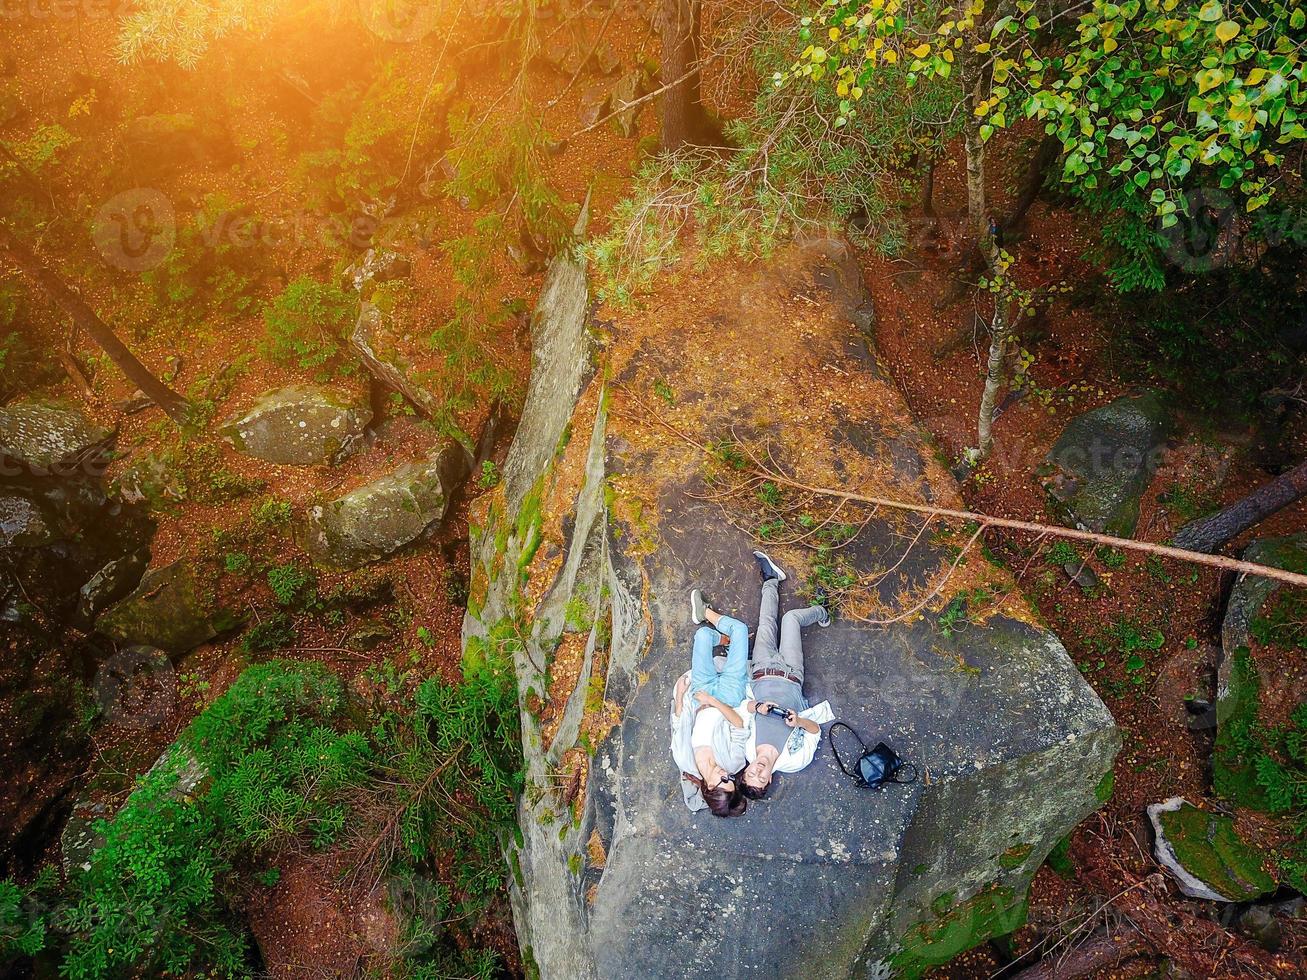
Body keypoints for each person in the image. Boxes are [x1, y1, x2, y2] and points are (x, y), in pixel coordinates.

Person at [739, 550, 833, 799]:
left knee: (766, 622)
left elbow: (740, 709)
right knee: (791, 619)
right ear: (769, 780)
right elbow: (815, 731)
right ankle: (823, 612)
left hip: (760, 670)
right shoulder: (793, 761)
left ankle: (771, 578)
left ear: (746, 771)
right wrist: (798, 721)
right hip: (790, 673)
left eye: (750, 774)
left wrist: (757, 707)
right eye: (761, 778)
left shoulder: (746, 748)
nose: (757, 771)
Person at [677, 592, 752, 817]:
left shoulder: (686, 761)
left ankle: (719, 638)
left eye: (723, 781)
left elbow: (679, 724)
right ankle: (708, 613)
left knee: (701, 635)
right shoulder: (734, 763)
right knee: (739, 630)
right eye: (731, 781)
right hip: (727, 696)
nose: (726, 774)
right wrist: (713, 701)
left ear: (709, 787)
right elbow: (738, 724)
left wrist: (681, 695)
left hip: (700, 694)